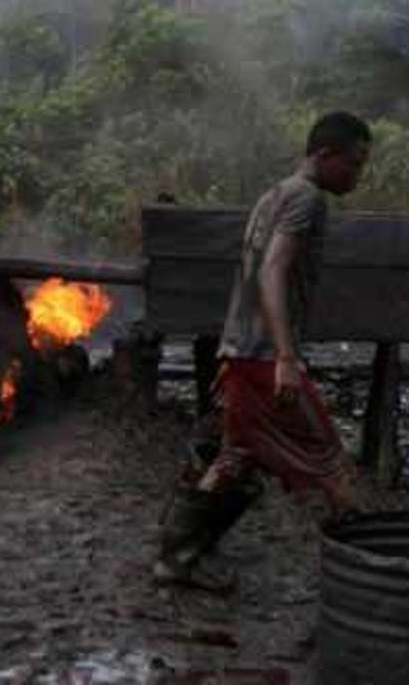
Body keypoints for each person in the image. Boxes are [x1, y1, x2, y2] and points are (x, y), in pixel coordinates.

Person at [154, 111, 372, 593]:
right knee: (330, 462)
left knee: (236, 457)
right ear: (324, 155)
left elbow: (253, 273)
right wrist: (286, 358)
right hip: (261, 358)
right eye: (354, 164)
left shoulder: (274, 194)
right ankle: (372, 581)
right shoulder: (308, 199)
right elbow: (272, 271)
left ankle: (180, 555)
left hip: (242, 348)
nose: (359, 175)